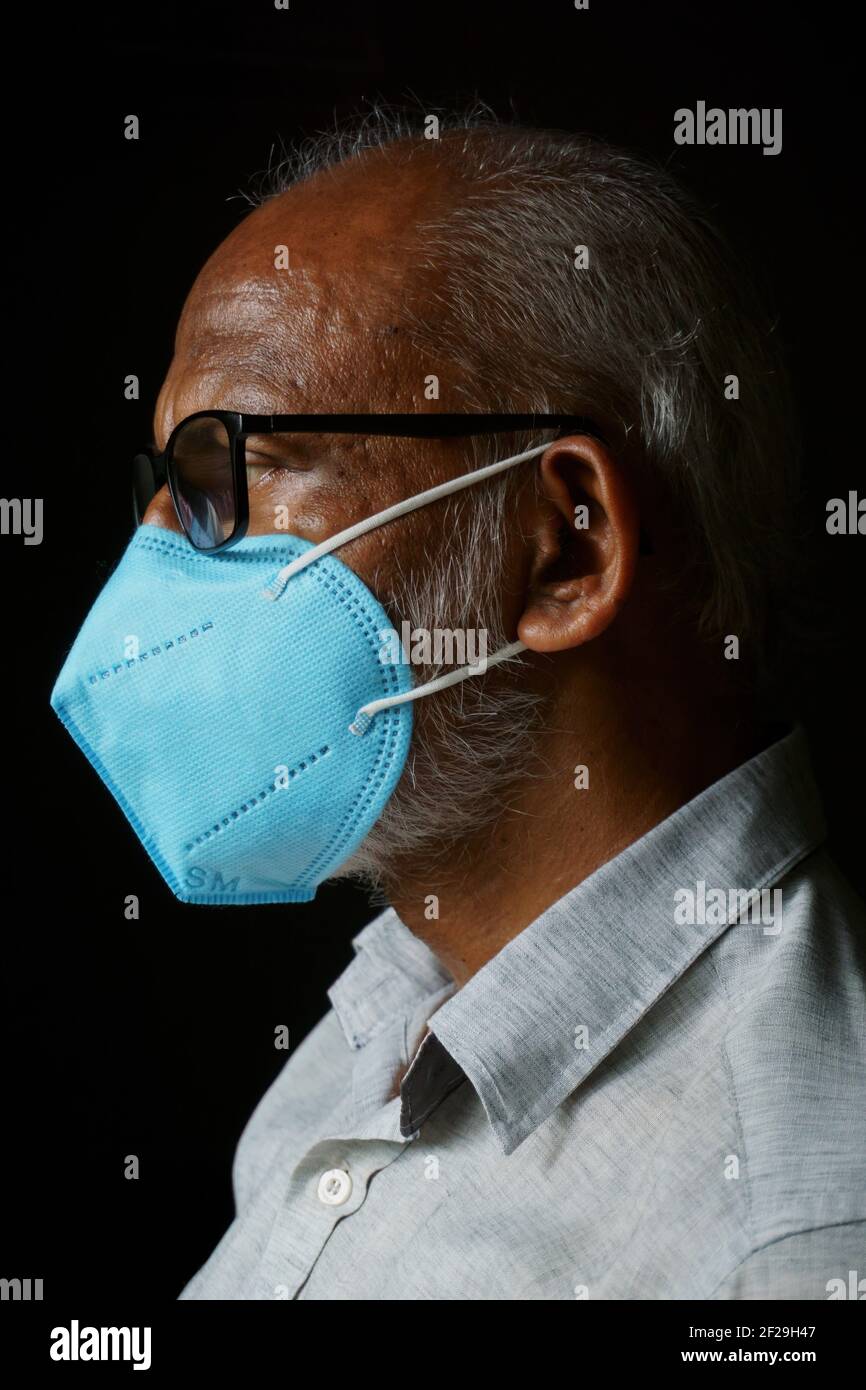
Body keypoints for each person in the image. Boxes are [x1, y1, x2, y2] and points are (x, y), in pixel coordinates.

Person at [55, 111, 866, 1299]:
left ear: (563, 553)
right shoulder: (383, 1017)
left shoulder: (781, 1246)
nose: (153, 567)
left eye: (237, 467)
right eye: (168, 485)